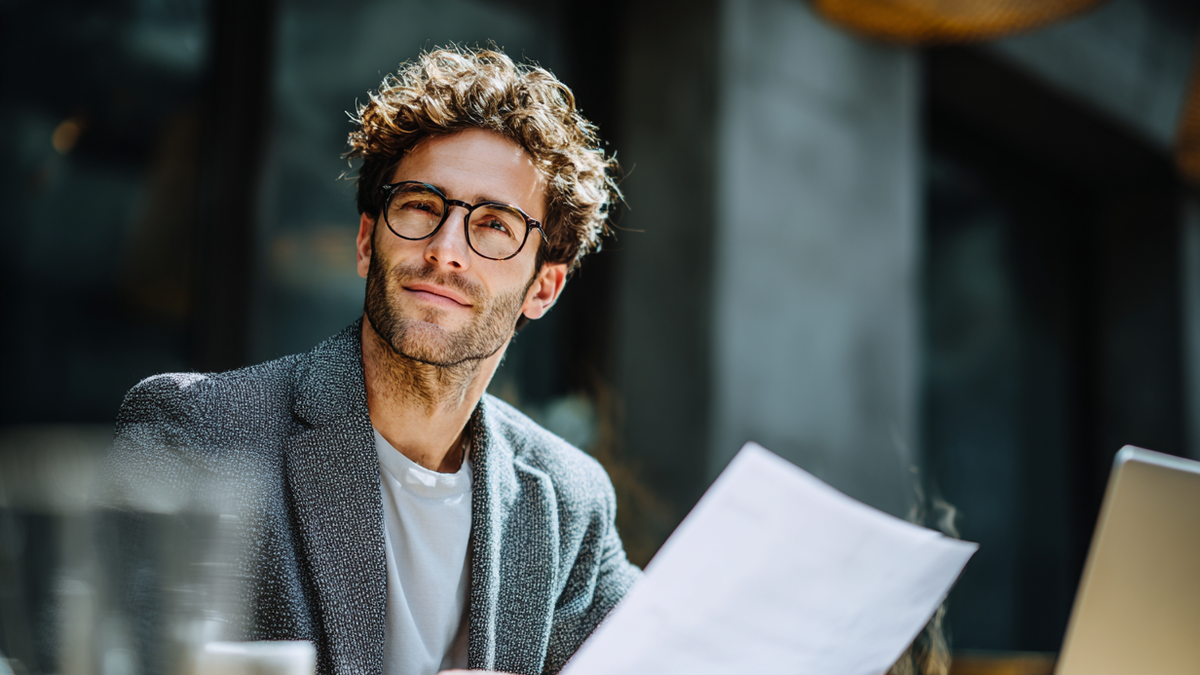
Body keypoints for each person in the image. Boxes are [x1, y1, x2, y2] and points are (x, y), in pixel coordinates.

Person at [104, 46, 641, 675]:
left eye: (495, 224)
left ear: (543, 288)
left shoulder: (569, 503)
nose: (446, 250)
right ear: (367, 240)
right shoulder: (198, 431)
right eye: (420, 205)